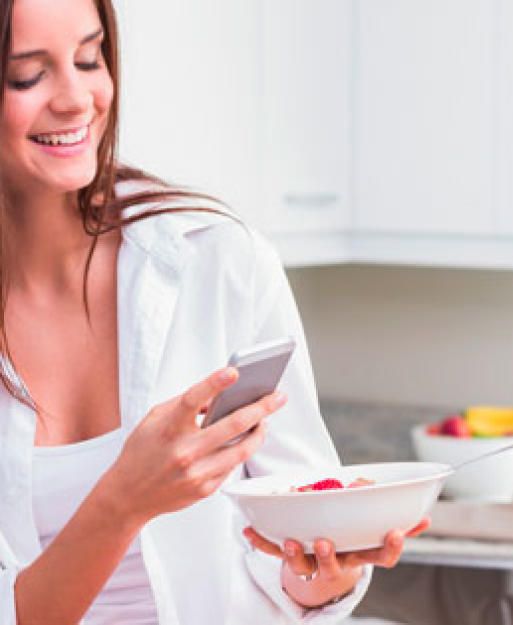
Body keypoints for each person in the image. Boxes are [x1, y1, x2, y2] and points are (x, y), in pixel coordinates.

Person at [0, 0, 425, 622]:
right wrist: (123, 501)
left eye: (90, 59)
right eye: (27, 76)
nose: (76, 99)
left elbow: (291, 542)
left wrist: (319, 570)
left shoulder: (218, 260)